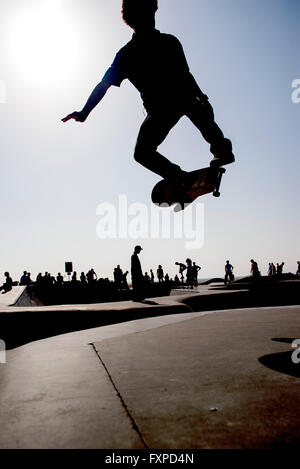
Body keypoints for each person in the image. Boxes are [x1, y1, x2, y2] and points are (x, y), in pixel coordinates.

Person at [62, 0, 234, 182]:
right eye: (146, 18)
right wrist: (84, 111)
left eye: (150, 16)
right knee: (142, 152)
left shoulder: (156, 46)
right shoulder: (133, 53)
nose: (150, 21)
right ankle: (182, 175)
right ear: (132, 22)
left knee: (189, 107)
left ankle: (216, 152)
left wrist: (202, 98)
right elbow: (103, 85)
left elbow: (185, 75)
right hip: (166, 106)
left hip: (173, 102)